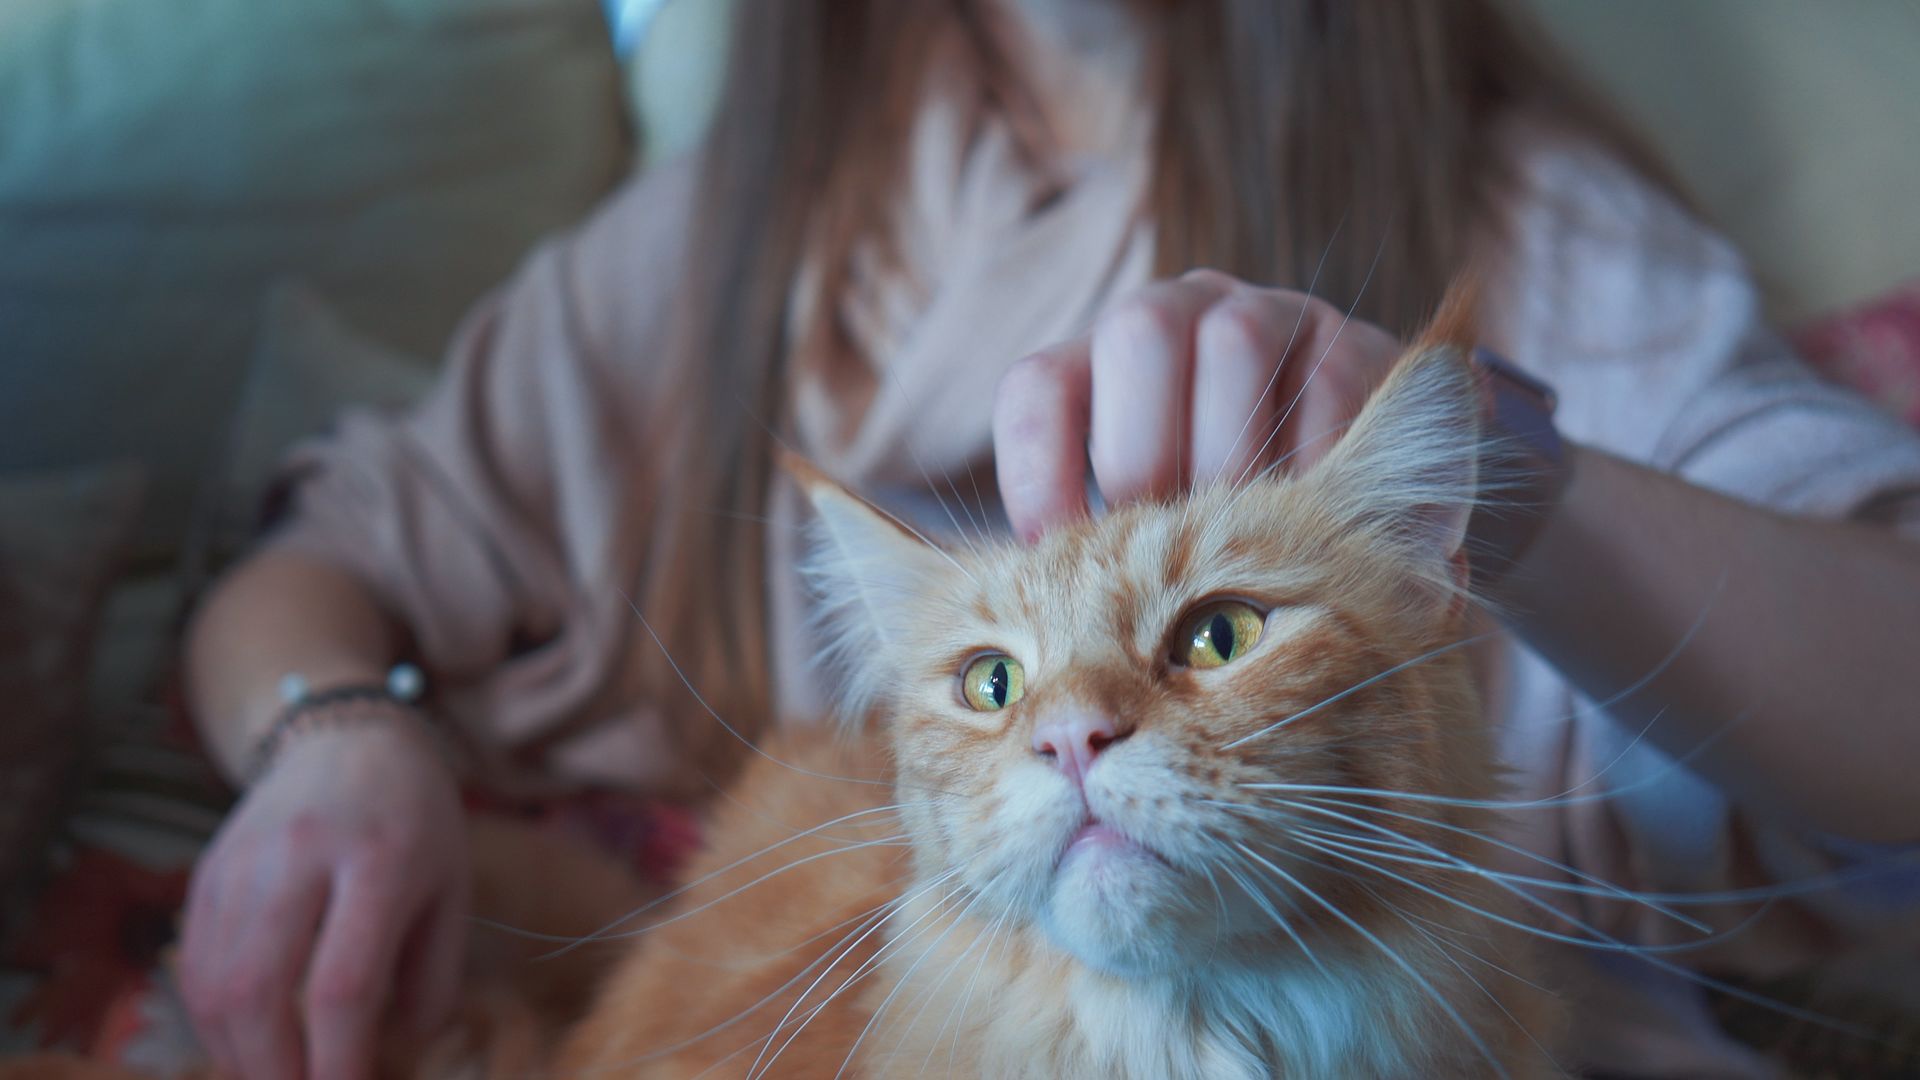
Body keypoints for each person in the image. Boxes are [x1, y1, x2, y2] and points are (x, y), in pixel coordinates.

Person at [178, 2, 1920, 1078]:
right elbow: (319, 567)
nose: (1079, 718)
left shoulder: (1517, 206)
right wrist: (339, 735)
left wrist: (1509, 466)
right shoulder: (735, 228)